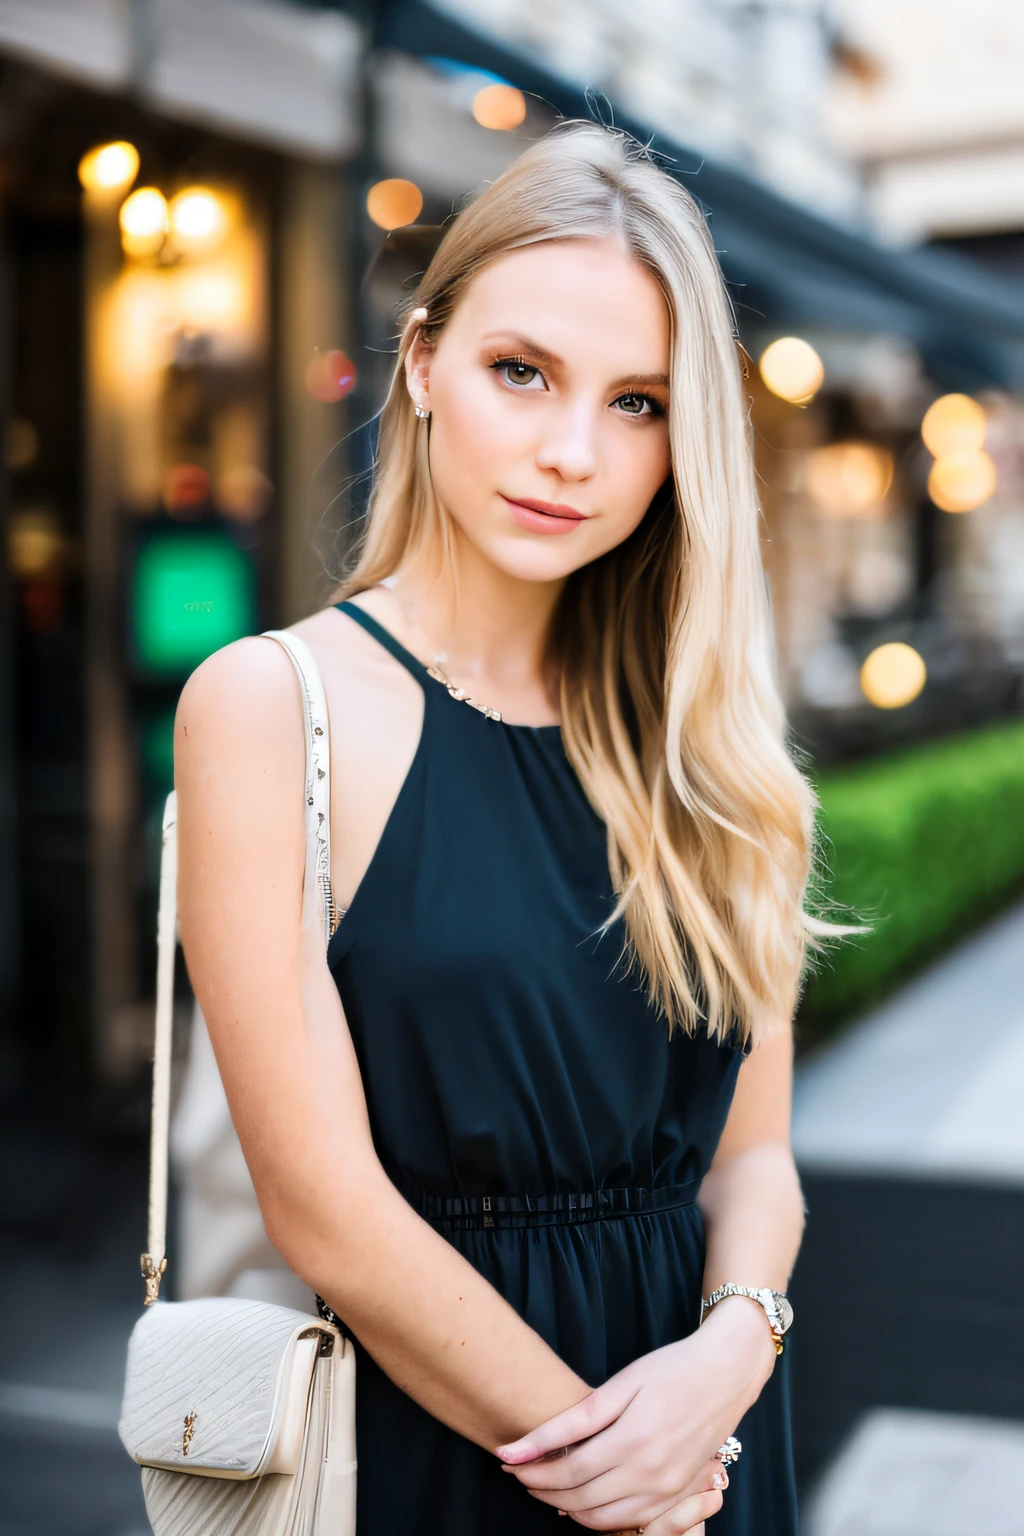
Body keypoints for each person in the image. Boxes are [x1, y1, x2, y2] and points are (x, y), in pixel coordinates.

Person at [175, 124, 815, 1536]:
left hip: (705, 1442)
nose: (572, 451)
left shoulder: (711, 748)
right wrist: (619, 1472)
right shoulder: (272, 707)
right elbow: (324, 1209)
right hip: (432, 1446)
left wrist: (732, 1355)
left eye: (640, 402)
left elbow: (754, 1156)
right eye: (521, 373)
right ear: (420, 365)